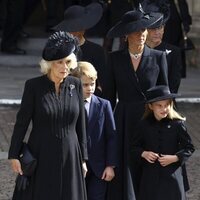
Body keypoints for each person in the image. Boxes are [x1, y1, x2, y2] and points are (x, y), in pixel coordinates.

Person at [8, 31, 88, 200]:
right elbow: (22, 123)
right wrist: (14, 155)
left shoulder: (76, 85)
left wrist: (83, 158)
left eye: (68, 62)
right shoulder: (33, 87)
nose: (65, 67)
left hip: (71, 154)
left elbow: (81, 124)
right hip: (41, 152)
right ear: (50, 64)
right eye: (60, 62)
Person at [104, 6, 169, 200]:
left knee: (150, 165)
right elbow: (108, 96)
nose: (141, 34)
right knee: (127, 165)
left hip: (149, 119)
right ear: (126, 36)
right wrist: (105, 125)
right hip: (123, 119)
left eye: (143, 29)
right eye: (136, 31)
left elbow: (164, 95)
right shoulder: (114, 59)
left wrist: (167, 122)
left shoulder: (158, 57)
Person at [131, 85, 195, 200]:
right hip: (150, 178)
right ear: (151, 106)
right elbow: (134, 147)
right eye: (159, 106)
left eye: (166, 105)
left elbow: (189, 148)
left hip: (172, 177)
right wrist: (143, 153)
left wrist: (175, 158)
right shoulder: (143, 125)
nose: (164, 109)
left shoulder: (177, 124)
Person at [71, 61, 118, 200]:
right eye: (85, 84)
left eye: (92, 84)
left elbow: (111, 136)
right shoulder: (69, 105)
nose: (90, 88)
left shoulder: (104, 105)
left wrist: (110, 165)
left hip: (99, 167)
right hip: (76, 165)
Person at [54, 2, 107, 97]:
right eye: (72, 27)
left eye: (79, 27)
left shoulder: (96, 51)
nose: (76, 31)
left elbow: (103, 83)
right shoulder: (58, 51)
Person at [142, 2, 182, 93]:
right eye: (153, 28)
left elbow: (174, 84)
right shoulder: (137, 50)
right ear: (145, 29)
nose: (157, 32)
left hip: (164, 103)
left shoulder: (174, 52)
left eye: (160, 27)